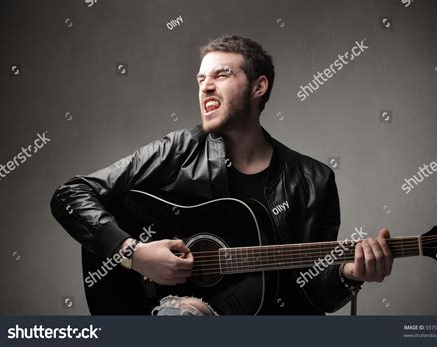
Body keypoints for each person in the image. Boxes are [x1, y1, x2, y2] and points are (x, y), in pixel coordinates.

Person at [51, 35, 393, 316]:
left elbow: (313, 294)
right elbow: (71, 195)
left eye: (221, 75)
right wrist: (134, 254)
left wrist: (349, 275)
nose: (206, 87)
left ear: (259, 87)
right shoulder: (179, 150)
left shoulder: (313, 180)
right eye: (201, 79)